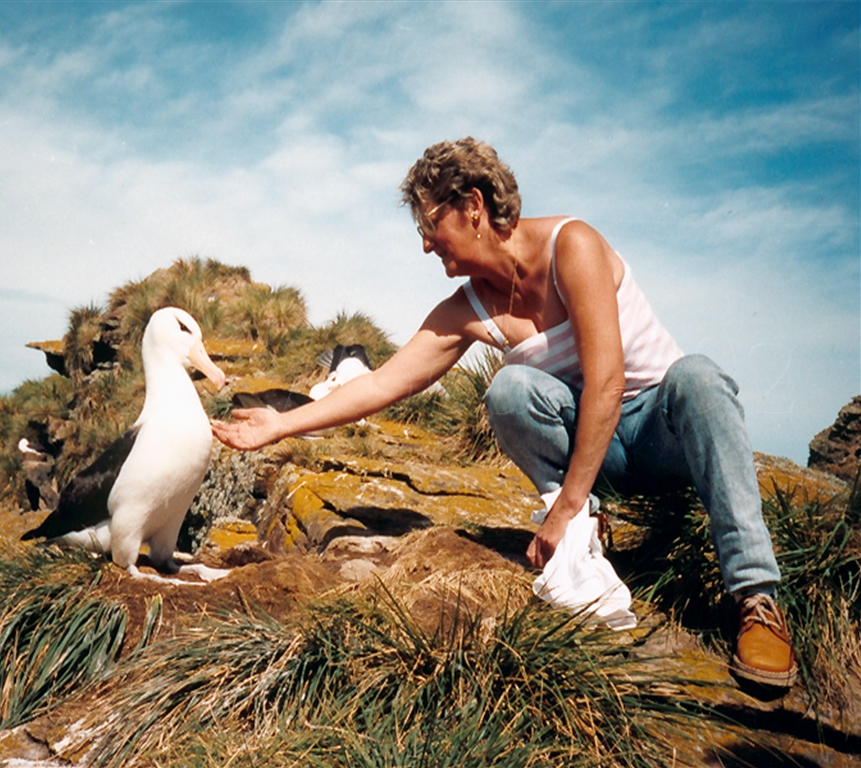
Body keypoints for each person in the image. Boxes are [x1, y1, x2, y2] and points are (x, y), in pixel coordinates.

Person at [212, 137, 796, 688]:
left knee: (698, 377)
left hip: (657, 432)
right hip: (596, 458)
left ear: (471, 206)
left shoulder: (574, 246)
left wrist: (562, 506)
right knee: (510, 389)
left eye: (427, 223)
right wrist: (281, 423)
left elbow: (609, 382)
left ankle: (754, 598)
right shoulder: (469, 306)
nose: (423, 242)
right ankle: (587, 535)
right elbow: (384, 383)